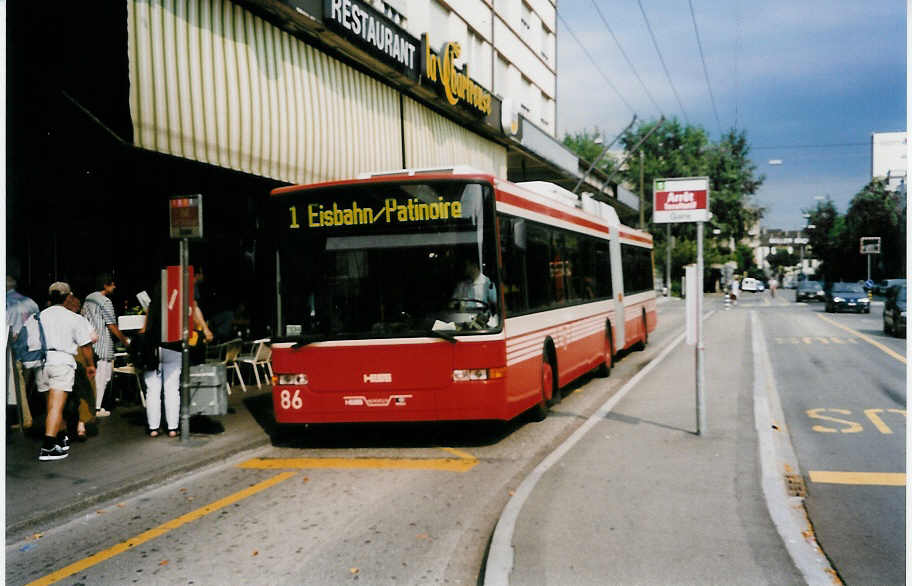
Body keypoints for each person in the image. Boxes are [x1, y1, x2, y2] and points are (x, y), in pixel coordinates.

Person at [140, 277, 213, 438]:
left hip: (152, 348)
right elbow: (193, 309)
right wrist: (206, 330)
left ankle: (153, 428)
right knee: (172, 388)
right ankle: (172, 428)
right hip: (172, 347)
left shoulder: (152, 305)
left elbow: (145, 328)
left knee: (152, 390)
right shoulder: (178, 301)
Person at [36, 282, 96, 461]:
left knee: (52, 406)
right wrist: (90, 365)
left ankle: (60, 440)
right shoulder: (74, 318)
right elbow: (85, 346)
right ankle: (48, 448)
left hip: (41, 362)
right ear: (68, 296)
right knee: (57, 406)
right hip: (61, 362)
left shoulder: (40, 316)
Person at [81, 273, 131, 417]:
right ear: (106, 285)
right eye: (113, 284)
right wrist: (125, 341)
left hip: (90, 343)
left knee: (93, 377)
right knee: (103, 377)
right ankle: (97, 408)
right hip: (103, 344)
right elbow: (111, 325)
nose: (115, 287)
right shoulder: (105, 302)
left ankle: (93, 406)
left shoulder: (88, 299)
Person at [6, 274, 39, 431]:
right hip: (32, 349)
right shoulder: (30, 302)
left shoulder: (6, 303)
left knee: (18, 386)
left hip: (16, 349)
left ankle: (24, 419)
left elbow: (10, 332)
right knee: (25, 385)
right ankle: (27, 415)